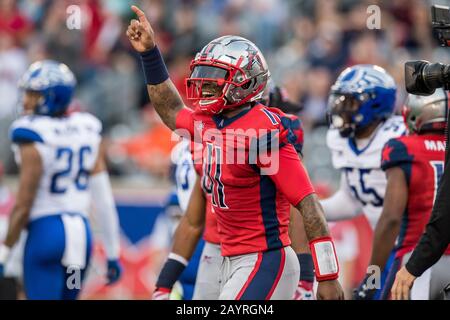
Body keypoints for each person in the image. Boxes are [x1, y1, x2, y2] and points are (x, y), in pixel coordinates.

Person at [126, 5, 344, 300]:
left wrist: (326, 276)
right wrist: (150, 54)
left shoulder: (262, 133)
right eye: (202, 73)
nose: (204, 83)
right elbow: (170, 109)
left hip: (265, 259)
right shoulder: (208, 124)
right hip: (228, 258)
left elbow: (308, 205)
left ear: (246, 82)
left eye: (215, 75)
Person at [154, 88, 316, 300]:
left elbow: (298, 206)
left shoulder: (267, 141)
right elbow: (193, 220)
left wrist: (306, 273)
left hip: (259, 253)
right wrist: (164, 282)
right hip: (213, 252)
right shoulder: (208, 139)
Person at [0, 60, 122, 299]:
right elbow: (104, 199)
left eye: (33, 95)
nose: (26, 101)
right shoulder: (86, 129)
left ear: (51, 97)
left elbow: (23, 205)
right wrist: (112, 252)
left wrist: (4, 252)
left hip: (47, 236)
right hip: (80, 239)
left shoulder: (32, 133)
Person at [319, 64, 406, 299]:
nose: (340, 108)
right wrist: (309, 209)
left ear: (375, 103)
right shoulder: (343, 140)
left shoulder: (398, 136)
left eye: (350, 101)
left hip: (413, 245)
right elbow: (352, 200)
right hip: (387, 249)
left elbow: (393, 217)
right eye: (339, 100)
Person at [390, 91, 450, 300]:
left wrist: (372, 277)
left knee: (374, 291)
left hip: (418, 257)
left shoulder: (404, 148)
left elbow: (389, 220)